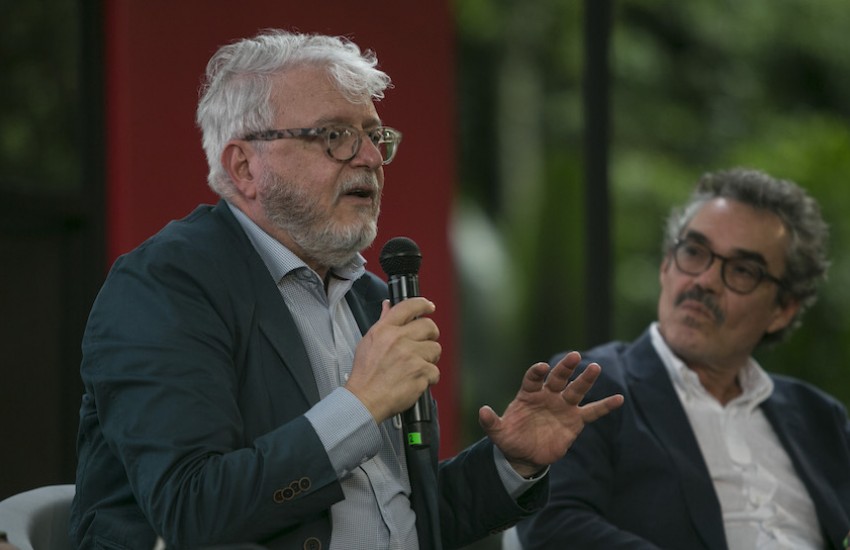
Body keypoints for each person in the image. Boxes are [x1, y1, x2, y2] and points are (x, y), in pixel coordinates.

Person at [68, 29, 624, 550]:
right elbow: (191, 509)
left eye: (374, 135)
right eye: (335, 136)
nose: (370, 158)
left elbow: (406, 517)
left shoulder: (367, 297)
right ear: (244, 167)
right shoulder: (166, 286)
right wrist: (360, 406)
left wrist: (511, 463)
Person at [516, 168, 850, 549]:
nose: (705, 280)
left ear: (783, 310)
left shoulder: (821, 418)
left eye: (742, 270)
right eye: (693, 252)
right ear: (665, 265)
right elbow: (553, 528)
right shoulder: (592, 385)